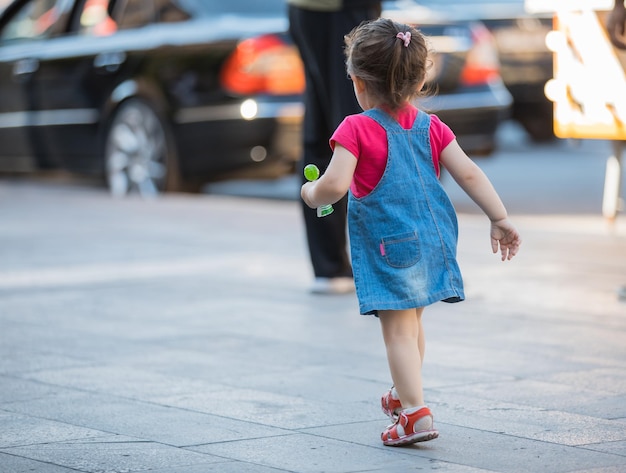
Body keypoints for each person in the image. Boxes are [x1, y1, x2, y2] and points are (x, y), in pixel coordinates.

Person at [301, 18, 522, 446]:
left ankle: (416, 414)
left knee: (397, 331)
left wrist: (311, 192)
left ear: (358, 83)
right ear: (420, 78)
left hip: (391, 248)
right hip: (434, 240)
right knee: (413, 325)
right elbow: (470, 174)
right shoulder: (432, 126)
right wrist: (500, 217)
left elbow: (333, 187)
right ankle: (407, 393)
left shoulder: (356, 128)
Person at [288, 0, 381, 294]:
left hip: (311, 9)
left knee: (324, 130)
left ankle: (330, 267)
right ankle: (382, 262)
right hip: (343, 10)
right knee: (359, 129)